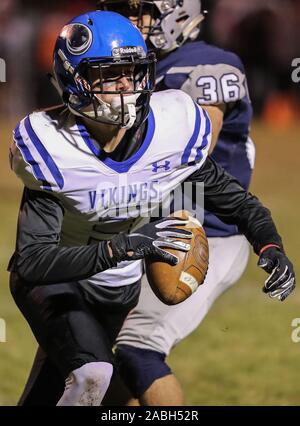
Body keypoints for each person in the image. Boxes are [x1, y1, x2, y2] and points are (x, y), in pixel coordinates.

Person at [11, 10, 295, 406]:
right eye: (110, 75)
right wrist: (124, 247)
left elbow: (235, 201)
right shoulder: (51, 146)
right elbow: (32, 263)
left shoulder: (171, 129)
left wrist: (269, 244)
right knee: (93, 374)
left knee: (60, 386)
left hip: (118, 287)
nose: (126, 85)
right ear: (74, 81)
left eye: (133, 72)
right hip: (61, 279)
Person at [96, 0, 289, 406]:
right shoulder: (137, 66)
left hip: (205, 232)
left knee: (138, 350)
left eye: (139, 12)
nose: (129, 22)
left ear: (176, 14)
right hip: (151, 229)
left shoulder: (205, 64)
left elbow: (193, 151)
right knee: (93, 355)